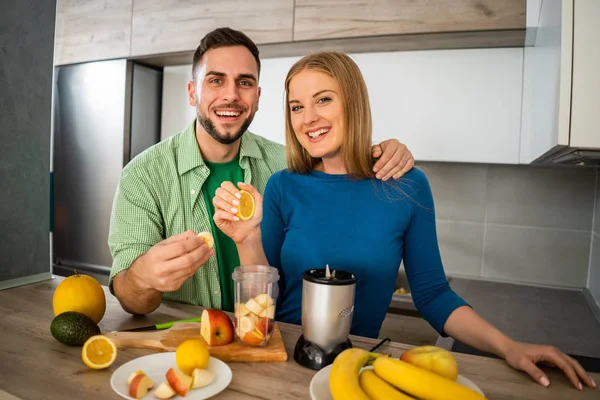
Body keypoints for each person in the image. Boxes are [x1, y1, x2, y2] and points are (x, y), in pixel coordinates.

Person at [212, 51, 596, 391]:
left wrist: (508, 346)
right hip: (283, 365)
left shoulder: (407, 186)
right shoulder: (283, 186)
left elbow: (432, 295)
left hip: (354, 371)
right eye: (296, 107)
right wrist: (246, 239)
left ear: (354, 104)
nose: (308, 118)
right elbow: (264, 299)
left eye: (323, 100)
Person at [107, 28, 415, 316]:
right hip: (183, 348)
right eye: (215, 81)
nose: (231, 95)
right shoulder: (144, 175)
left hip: (270, 344)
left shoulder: (288, 168)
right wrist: (142, 277)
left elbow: (342, 166)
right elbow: (132, 300)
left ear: (257, 95)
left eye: (244, 82)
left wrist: (386, 152)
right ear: (192, 93)